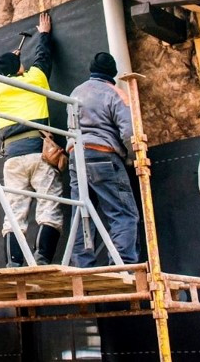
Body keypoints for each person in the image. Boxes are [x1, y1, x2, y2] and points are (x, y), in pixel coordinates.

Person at [0, 12, 63, 267]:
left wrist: (9, 61)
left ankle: (13, 262)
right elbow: (43, 58)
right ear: (21, 69)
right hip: (39, 152)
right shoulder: (35, 79)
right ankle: (42, 258)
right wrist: (44, 34)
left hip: (12, 157)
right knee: (50, 205)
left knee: (15, 212)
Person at [68, 52, 139, 266]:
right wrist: (132, 157)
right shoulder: (115, 93)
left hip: (76, 155)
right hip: (103, 154)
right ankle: (122, 265)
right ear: (113, 74)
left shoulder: (76, 92)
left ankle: (82, 265)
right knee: (123, 213)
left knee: (81, 213)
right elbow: (129, 132)